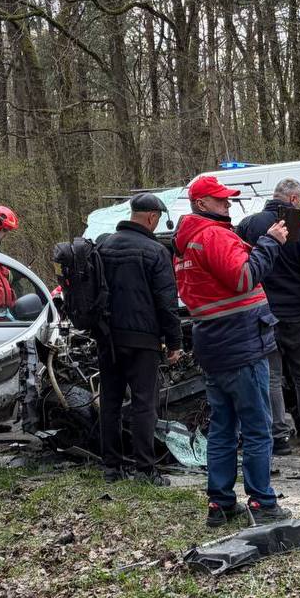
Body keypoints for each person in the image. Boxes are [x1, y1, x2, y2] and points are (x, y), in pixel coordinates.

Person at [174, 173, 290, 527]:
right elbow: (243, 278)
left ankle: (221, 503)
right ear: (201, 204)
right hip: (241, 343)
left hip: (213, 343)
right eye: (221, 199)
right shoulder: (212, 235)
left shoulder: (186, 241)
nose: (228, 204)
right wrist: (270, 244)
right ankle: (262, 503)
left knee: (223, 428)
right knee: (257, 427)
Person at [238, 178, 300, 455]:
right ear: (293, 200)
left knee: (272, 377)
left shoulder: (248, 225)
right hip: (297, 313)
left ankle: (278, 435)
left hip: (262, 313)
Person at [96, 192, 181, 486]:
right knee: (144, 403)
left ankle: (111, 468)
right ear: (152, 217)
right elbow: (166, 302)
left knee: (110, 402)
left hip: (107, 339)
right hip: (143, 340)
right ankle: (145, 470)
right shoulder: (155, 251)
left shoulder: (103, 245)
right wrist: (175, 342)